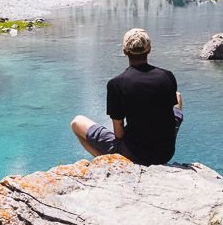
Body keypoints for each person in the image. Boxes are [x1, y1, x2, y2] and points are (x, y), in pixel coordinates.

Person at [71, 27, 183, 165]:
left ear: (124, 51)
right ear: (149, 50)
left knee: (77, 122)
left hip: (137, 155)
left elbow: (118, 133)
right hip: (165, 152)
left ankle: (114, 164)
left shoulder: (116, 84)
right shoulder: (167, 76)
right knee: (177, 96)